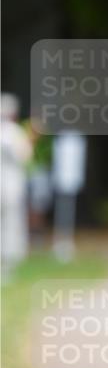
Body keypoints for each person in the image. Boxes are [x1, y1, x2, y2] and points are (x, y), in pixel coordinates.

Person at [1, 92, 33, 276]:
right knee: (11, 223)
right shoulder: (15, 133)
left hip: (9, 184)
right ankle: (9, 260)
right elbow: (24, 156)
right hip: (11, 185)